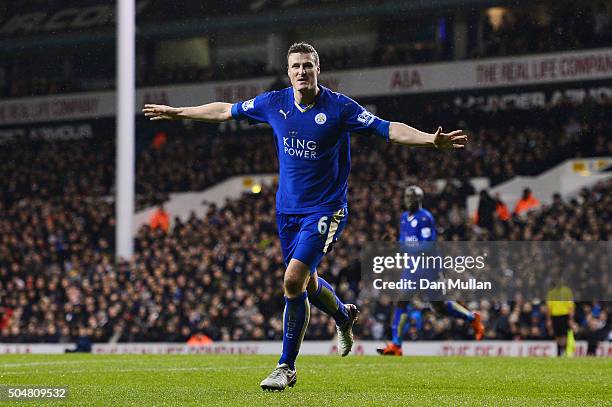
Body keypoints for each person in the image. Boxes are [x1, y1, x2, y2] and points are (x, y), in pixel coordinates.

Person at [143, 42, 467, 391]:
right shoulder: (274, 103)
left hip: (326, 210)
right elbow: (225, 111)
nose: (301, 71)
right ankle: (343, 315)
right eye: (295, 66)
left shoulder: (340, 108)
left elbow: (387, 129)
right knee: (308, 286)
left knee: (293, 280)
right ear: (288, 71)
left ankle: (286, 367)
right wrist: (178, 113)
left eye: (307, 66)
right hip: (287, 213)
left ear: (318, 69)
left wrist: (430, 141)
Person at [378, 186, 484, 356]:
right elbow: (403, 242)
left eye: (413, 198)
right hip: (413, 266)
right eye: (407, 197)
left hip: (429, 266)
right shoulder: (404, 218)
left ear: (419, 200)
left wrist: (403, 248)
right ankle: (396, 345)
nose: (409, 200)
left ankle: (472, 318)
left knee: (439, 306)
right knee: (402, 301)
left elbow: (427, 246)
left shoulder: (425, 218)